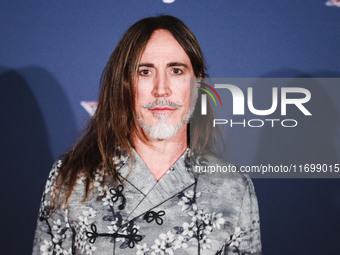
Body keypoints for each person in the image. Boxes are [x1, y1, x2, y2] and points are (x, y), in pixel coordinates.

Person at [33, 15, 262, 255]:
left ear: (198, 83)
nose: (161, 88)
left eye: (176, 70)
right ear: (123, 83)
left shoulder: (233, 187)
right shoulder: (72, 177)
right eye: (145, 72)